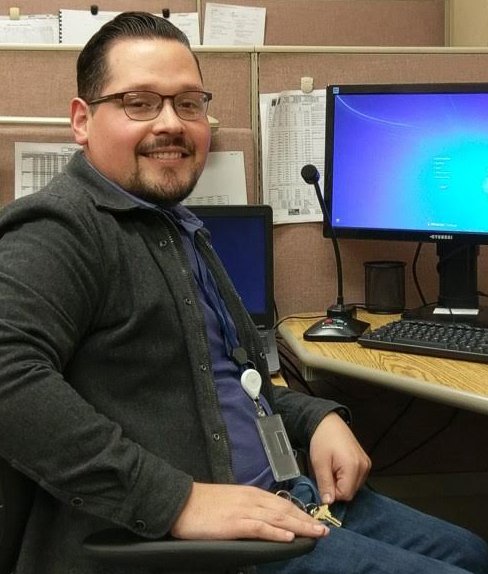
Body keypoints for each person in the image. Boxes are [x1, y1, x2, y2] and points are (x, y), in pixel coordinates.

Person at [0, 11, 486, 574]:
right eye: (139, 102)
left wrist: (317, 418)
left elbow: (230, 382)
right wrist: (176, 500)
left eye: (188, 103)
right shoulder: (62, 228)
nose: (171, 123)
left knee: (472, 552)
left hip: (287, 494)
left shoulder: (172, 226)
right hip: (198, 541)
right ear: (82, 121)